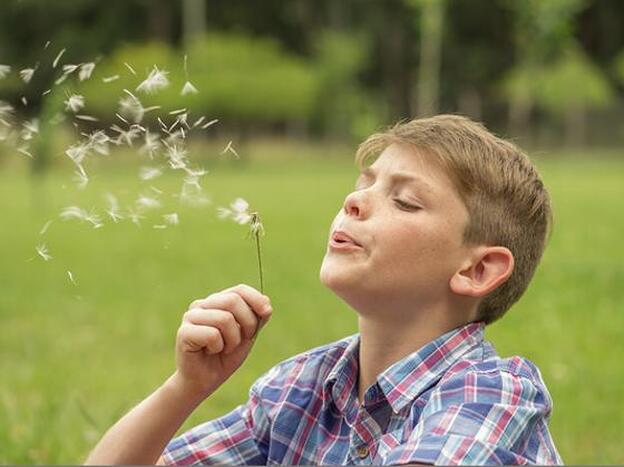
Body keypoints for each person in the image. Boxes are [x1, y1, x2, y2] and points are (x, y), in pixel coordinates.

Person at [85, 115, 562, 465]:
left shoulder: (491, 393)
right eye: (365, 184)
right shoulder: (297, 391)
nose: (355, 201)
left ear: (477, 270)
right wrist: (185, 387)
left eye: (404, 201)